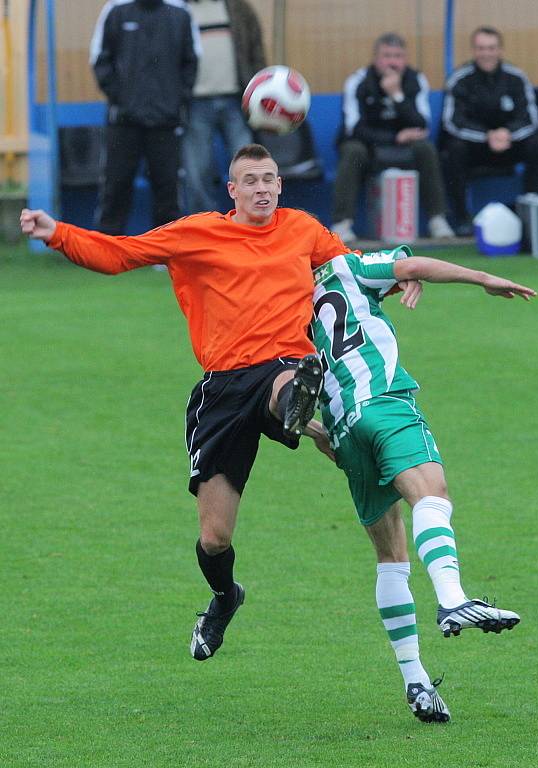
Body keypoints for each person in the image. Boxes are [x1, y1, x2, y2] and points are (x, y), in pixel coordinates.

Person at [19, 143, 374, 663]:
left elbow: (357, 269)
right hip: (223, 389)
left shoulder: (303, 230)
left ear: (280, 186)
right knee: (213, 537)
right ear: (232, 191)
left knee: (287, 383)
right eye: (249, 180)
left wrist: (405, 271)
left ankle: (301, 407)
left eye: (269, 179)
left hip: (281, 364)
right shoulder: (197, 233)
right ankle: (225, 596)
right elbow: (121, 254)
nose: (261, 188)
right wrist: (57, 233)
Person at [310, 247, 534, 722]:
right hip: (384, 400)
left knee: (390, 558)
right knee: (431, 494)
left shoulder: (278, 303)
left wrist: (314, 432)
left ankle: (416, 683)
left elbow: (280, 391)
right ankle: (453, 599)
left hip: (342, 429)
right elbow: (409, 265)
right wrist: (482, 277)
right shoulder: (343, 267)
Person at [331, 32, 454, 244]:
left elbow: (422, 123)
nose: (392, 62)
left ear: (405, 59)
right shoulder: (358, 81)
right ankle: (342, 223)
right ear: (376, 58)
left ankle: (437, 219)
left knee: (425, 148)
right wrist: (395, 137)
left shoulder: (416, 80)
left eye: (397, 56)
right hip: (369, 148)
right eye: (387, 55)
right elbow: (354, 128)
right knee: (352, 150)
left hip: (404, 149)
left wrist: (397, 95)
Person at [90, 0, 200, 234]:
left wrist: (176, 100)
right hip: (123, 121)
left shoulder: (180, 12)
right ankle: (107, 247)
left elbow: (192, 60)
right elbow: (100, 58)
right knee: (116, 184)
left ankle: (163, 251)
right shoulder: (116, 10)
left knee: (167, 186)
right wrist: (120, 98)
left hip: (166, 121)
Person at [442, 26, 538, 236]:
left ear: (500, 50)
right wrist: (486, 136)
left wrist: (507, 134)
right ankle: (463, 219)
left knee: (537, 147)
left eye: (491, 48)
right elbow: (453, 122)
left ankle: (532, 218)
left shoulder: (516, 78)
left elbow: (530, 119)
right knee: (453, 150)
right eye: (481, 48)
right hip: (476, 148)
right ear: (474, 51)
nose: (486, 53)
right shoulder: (460, 79)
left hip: (510, 145)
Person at [182, 0, 266, 214]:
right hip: (194, 103)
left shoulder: (238, 7)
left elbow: (256, 49)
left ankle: (249, 222)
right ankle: (205, 228)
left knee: (247, 167)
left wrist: (259, 89)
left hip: (236, 101)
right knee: (197, 171)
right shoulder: (181, 9)